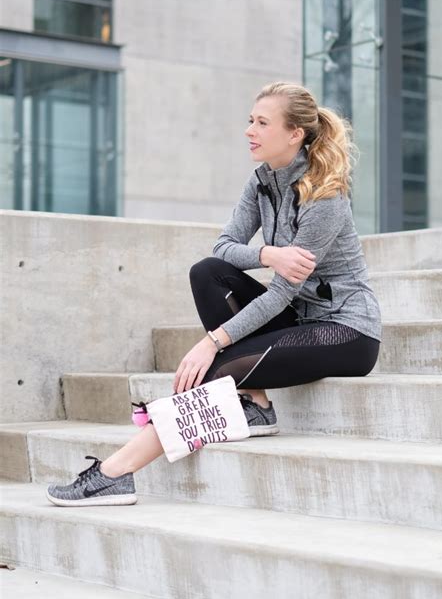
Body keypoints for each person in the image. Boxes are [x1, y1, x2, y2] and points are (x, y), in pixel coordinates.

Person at [46, 81, 382, 507]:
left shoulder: (324, 197)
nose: (249, 130)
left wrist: (212, 342)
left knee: (215, 370)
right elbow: (222, 248)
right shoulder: (261, 181)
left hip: (345, 330)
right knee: (208, 273)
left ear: (295, 133)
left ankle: (116, 472)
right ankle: (256, 404)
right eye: (250, 120)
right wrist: (268, 253)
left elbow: (278, 296)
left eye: (262, 122)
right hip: (298, 318)